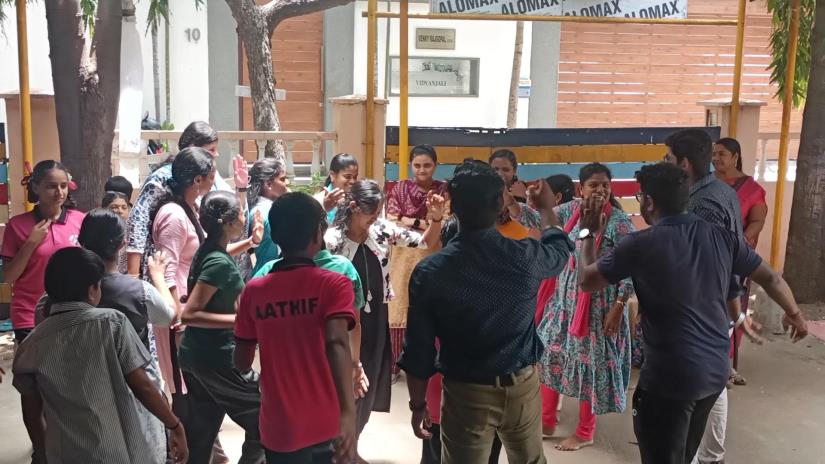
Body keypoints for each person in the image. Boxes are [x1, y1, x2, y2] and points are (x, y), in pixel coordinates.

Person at [577, 163, 808, 464]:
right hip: (713, 374)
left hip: (668, 379)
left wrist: (588, 232)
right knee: (684, 454)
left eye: (640, 197)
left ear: (649, 202)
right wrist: (794, 313)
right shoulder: (723, 237)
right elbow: (772, 278)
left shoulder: (640, 244)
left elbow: (587, 281)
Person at [399, 161, 574, 464]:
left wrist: (417, 405)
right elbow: (559, 250)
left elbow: (418, 350)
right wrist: (547, 209)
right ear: (498, 204)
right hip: (521, 387)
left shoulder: (431, 272)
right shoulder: (524, 256)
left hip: (466, 395)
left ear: (453, 206)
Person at [11, 247, 189, 464]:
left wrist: (42, 453)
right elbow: (142, 385)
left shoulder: (30, 345)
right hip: (118, 452)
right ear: (92, 290)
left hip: (65, 454)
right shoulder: (112, 323)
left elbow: (32, 415)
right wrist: (174, 425)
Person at [326, 179, 446, 462]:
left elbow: (425, 242)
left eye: (378, 211)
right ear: (354, 207)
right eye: (371, 212)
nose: (374, 218)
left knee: (368, 382)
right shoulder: (332, 240)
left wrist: (436, 219)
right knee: (342, 381)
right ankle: (337, 448)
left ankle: (351, 446)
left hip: (376, 317)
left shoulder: (381, 230)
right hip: (342, 320)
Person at [234, 192, 358, 464]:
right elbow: (337, 342)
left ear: (275, 236)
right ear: (317, 234)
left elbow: (241, 361)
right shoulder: (334, 284)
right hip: (328, 420)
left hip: (280, 425)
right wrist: (348, 413)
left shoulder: (254, 291)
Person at [664, 129, 750, 464]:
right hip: (716, 302)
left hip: (703, 304)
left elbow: (712, 260)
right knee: (713, 379)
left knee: (698, 386)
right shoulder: (721, 190)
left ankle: (702, 455)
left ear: (684, 163)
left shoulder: (701, 203)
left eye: (669, 159)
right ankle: (711, 455)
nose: (665, 164)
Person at [538, 163, 635, 451]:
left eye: (605, 185)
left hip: (599, 307)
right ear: (581, 188)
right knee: (549, 355)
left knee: (590, 368)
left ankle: (584, 431)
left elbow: (630, 267)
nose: (601, 190)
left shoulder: (619, 222)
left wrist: (618, 307)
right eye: (594, 185)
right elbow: (541, 217)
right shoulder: (570, 210)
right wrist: (515, 203)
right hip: (565, 303)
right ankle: (546, 420)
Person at [179, 191, 265, 463]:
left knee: (201, 433)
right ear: (227, 222)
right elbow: (189, 314)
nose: (244, 217)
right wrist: (242, 321)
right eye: (240, 213)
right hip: (217, 358)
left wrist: (250, 242)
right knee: (264, 419)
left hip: (197, 355)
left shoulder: (210, 250)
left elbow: (221, 256)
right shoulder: (217, 264)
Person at [126, 121, 249, 277]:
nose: (216, 154)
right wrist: (133, 277)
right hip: (165, 268)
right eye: (211, 149)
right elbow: (138, 223)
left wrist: (241, 188)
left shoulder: (210, 175)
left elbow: (230, 211)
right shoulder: (163, 181)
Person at [1, 160, 84, 343]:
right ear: (36, 187)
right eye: (51, 186)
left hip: (72, 313)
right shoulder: (17, 225)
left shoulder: (80, 220)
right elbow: (8, 277)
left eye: (63, 186)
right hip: (28, 315)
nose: (59, 192)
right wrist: (31, 243)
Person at [385, 145, 449, 381]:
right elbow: (392, 221)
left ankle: (431, 365)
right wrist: (427, 223)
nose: (422, 170)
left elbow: (446, 222)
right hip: (403, 256)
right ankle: (394, 366)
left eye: (427, 165)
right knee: (399, 306)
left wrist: (410, 221)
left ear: (436, 165)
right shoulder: (400, 188)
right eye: (417, 165)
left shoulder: (443, 190)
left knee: (431, 308)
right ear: (411, 166)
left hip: (433, 256)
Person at [713, 137, 769, 386]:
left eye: (722, 154)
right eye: (714, 154)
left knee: (732, 308)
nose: (716, 158)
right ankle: (712, 363)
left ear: (735, 157)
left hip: (735, 258)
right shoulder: (705, 184)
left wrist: (741, 240)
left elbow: (757, 221)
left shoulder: (752, 189)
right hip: (706, 256)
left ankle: (726, 365)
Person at [247, 158, 290, 276]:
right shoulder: (267, 212)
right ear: (268, 184)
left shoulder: (259, 208)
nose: (287, 182)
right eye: (282, 179)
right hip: (271, 274)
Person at [488, 151, 541, 239]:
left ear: (515, 171)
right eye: (495, 169)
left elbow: (537, 223)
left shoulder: (527, 191)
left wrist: (521, 198)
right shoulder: (482, 191)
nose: (500, 174)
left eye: (505, 169)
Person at [316, 153, 359, 224]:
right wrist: (325, 208)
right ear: (332, 175)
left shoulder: (356, 200)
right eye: (347, 177)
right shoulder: (318, 201)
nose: (353, 181)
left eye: (355, 177)